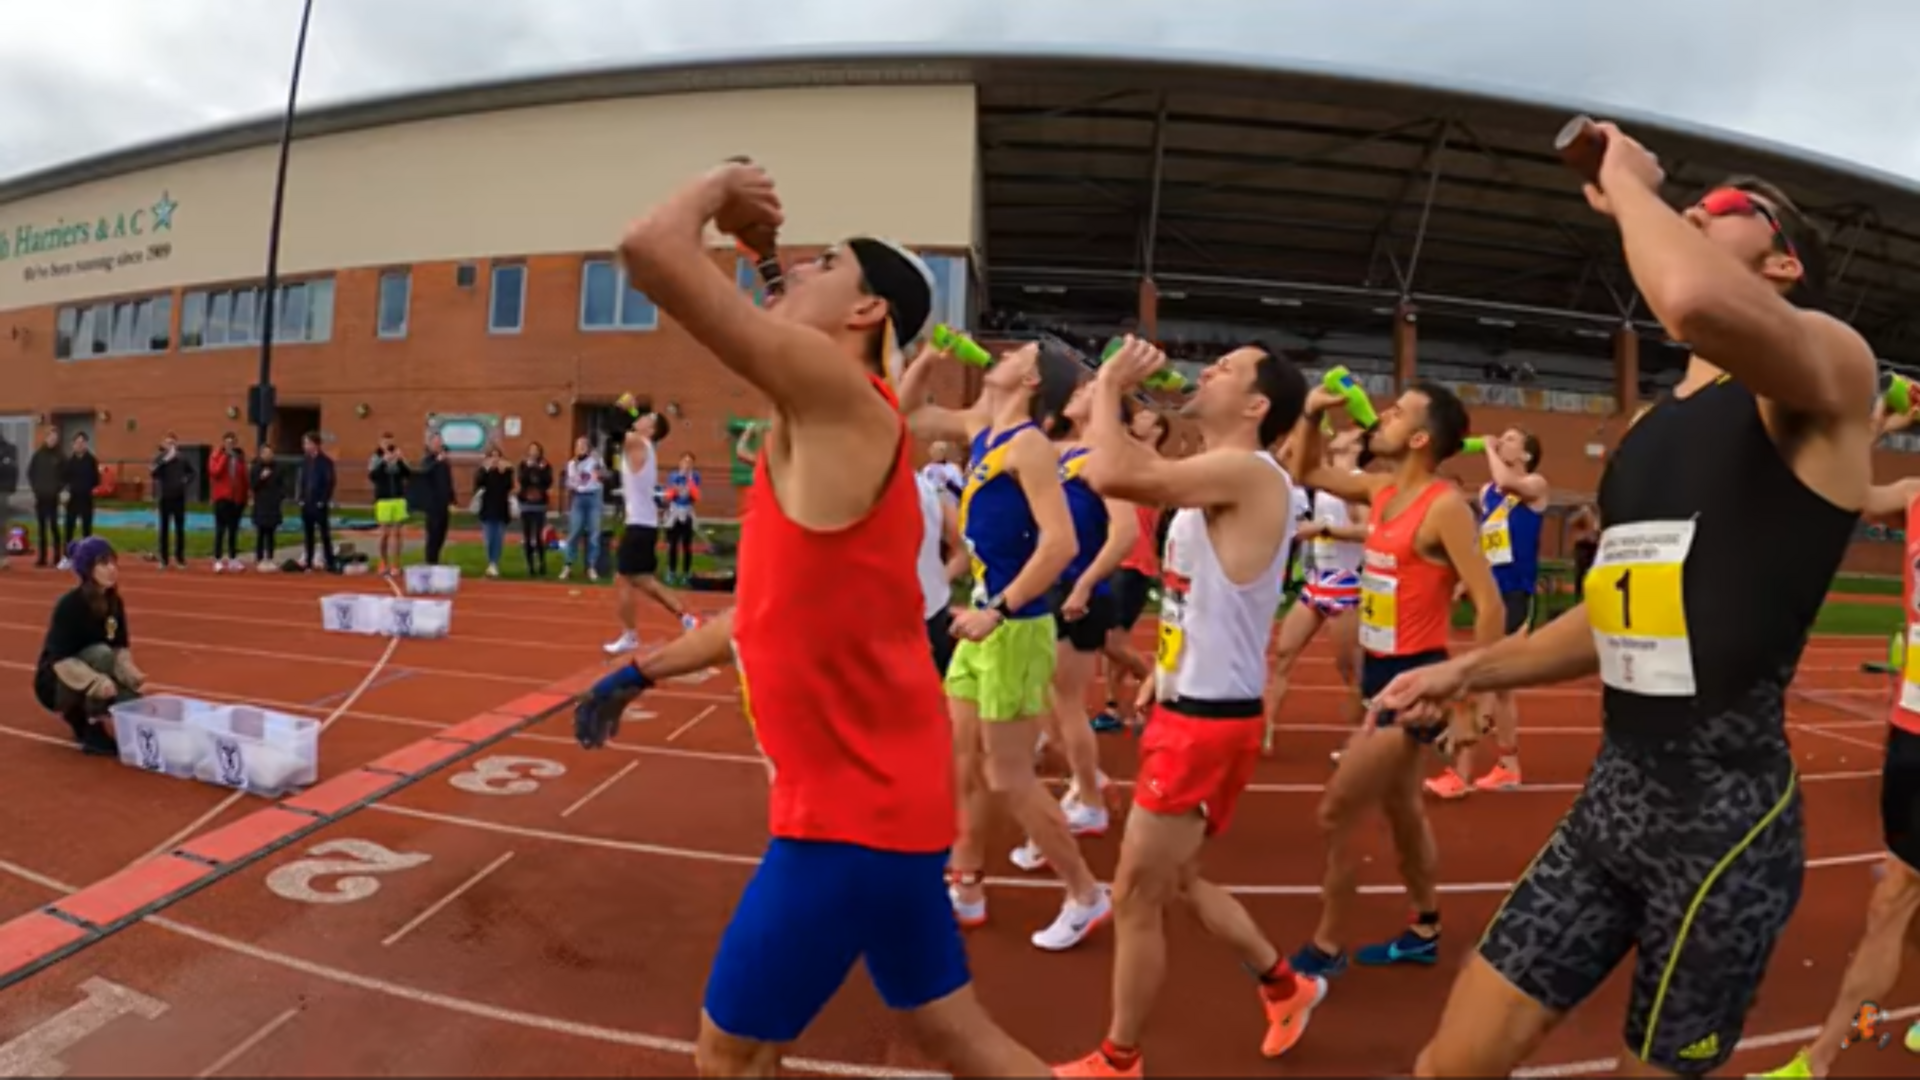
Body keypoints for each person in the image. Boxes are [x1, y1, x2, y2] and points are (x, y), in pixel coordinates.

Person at [1372, 133, 1868, 1078]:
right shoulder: (1649, 433)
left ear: (1784, 260)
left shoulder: (1830, 368)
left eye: (1721, 204)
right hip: (1613, 805)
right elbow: (1616, 615)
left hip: (1724, 830)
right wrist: (1469, 666)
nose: (1695, 209)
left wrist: (1637, 187)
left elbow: (1691, 300)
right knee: (1448, 1065)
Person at [576, 159, 1052, 1078]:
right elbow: (764, 618)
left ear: (867, 311)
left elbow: (647, 251)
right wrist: (640, 672)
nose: (796, 272)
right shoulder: (844, 417)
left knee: (731, 1059)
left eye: (823, 262)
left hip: (847, 823)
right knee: (955, 1035)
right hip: (890, 798)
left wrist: (720, 188)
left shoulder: (836, 400)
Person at [1053, 339, 1324, 1079]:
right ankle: (1285, 985)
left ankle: (1119, 1058)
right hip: (1194, 706)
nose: (1206, 372)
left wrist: (1108, 381)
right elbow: (1198, 593)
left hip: (1206, 724)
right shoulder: (1219, 476)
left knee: (1136, 894)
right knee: (1177, 880)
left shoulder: (1247, 470)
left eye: (1227, 369)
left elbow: (1111, 470)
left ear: (1258, 405)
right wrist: (1163, 668)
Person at [1281, 378, 1503, 983]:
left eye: (1398, 412)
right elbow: (1305, 471)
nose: (1383, 415)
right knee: (1403, 808)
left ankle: (1327, 946)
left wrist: (1469, 692)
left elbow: (1488, 604)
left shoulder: (1444, 507)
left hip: (1415, 681)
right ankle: (1425, 929)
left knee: (1338, 808)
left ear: (1421, 437)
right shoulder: (1380, 490)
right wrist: (1309, 412)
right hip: (1379, 671)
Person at [901, 338, 1112, 951]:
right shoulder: (981, 427)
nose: (1005, 351)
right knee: (961, 760)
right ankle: (965, 888)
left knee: (1008, 775)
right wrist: (926, 359)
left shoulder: (1030, 447)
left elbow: (1061, 545)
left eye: (1021, 351)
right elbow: (906, 416)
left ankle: (1085, 892)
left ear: (1029, 381)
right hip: (986, 626)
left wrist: (997, 609)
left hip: (1013, 629)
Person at [1760, 404, 1920, 1079]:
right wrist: (1874, 429)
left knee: (1900, 893)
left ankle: (1819, 1056)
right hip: (1914, 727)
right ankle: (1820, 1060)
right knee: (1895, 896)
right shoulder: (1915, 496)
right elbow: (1837, 493)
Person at [1023, 378, 1140, 855]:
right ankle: (1088, 779)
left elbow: (1125, 532)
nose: (1076, 390)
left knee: (1066, 701)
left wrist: (1086, 583)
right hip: (1047, 584)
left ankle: (1089, 797)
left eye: (1092, 387)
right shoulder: (1059, 452)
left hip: (1075, 588)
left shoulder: (1101, 459)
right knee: (1045, 695)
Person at [1425, 427, 1547, 798]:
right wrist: (1468, 580)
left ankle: (1460, 774)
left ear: (1525, 455)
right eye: (1502, 437)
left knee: (1480, 682)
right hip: (1490, 594)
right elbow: (1486, 542)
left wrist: (1489, 449)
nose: (1503, 441)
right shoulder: (1488, 493)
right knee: (1502, 689)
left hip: (1513, 597)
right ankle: (1508, 766)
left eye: (1511, 439)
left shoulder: (1534, 485)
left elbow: (1504, 478)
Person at [1265, 426, 1368, 754]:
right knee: (1283, 655)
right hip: (1316, 580)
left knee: (1349, 669)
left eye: (1348, 431)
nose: (1339, 432)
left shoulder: (1356, 481)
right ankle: (1264, 728)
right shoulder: (1326, 477)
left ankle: (1363, 738)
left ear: (1357, 445)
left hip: (1346, 583)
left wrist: (1324, 528)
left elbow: (1368, 530)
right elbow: (1291, 459)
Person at [1093, 409, 1170, 733]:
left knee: (1107, 640)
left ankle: (1153, 682)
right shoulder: (1135, 460)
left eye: (1144, 418)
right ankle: (1114, 706)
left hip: (1135, 563)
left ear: (1157, 429)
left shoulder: (1153, 466)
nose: (1136, 421)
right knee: (1115, 642)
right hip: (1119, 560)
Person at [34, 538, 145, 755]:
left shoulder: (114, 602)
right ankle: (88, 724)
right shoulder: (70, 606)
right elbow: (61, 661)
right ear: (88, 570)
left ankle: (94, 713)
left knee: (133, 702)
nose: (112, 569)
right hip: (56, 681)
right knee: (101, 654)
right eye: (103, 563)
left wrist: (131, 675)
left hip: (92, 668)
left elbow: (119, 648)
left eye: (113, 562)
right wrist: (96, 682)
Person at [604, 412, 697, 655]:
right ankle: (686, 617)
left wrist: (624, 407)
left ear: (652, 429)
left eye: (647, 417)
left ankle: (630, 635)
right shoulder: (641, 444)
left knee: (623, 578)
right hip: (644, 525)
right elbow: (611, 445)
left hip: (639, 526)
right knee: (645, 581)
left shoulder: (638, 442)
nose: (642, 417)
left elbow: (611, 427)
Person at [915, 466, 967, 678]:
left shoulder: (930, 489)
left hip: (924, 613)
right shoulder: (930, 488)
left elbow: (963, 552)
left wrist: (936, 581)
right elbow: (963, 554)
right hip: (929, 609)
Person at [558, 436, 605, 582]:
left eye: (584, 445)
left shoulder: (595, 461)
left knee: (594, 533)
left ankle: (591, 566)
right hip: (578, 498)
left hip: (593, 497)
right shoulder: (572, 464)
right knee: (574, 532)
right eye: (578, 445)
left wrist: (600, 466)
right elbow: (570, 482)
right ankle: (568, 565)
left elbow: (603, 475)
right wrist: (573, 484)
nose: (581, 447)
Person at [368, 433, 411, 576]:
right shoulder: (376, 457)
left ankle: (396, 564)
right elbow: (373, 476)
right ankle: (383, 562)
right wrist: (383, 462)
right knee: (384, 533)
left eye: (390, 442)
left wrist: (400, 460)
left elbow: (408, 473)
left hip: (398, 498)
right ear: (381, 443)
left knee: (398, 533)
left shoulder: (398, 456)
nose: (388, 445)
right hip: (383, 499)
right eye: (385, 442)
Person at [152, 433, 196, 571]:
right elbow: (153, 473)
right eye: (167, 443)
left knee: (179, 529)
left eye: (172, 443)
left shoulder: (182, 459)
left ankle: (180, 558)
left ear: (176, 445)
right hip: (165, 498)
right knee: (163, 529)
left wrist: (186, 480)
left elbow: (192, 473)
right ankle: (164, 559)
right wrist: (164, 461)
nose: (170, 445)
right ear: (164, 445)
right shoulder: (160, 458)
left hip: (179, 498)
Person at [473, 443, 516, 578]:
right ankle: (490, 562)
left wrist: (504, 473)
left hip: (501, 508)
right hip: (487, 508)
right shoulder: (484, 471)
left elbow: (509, 486)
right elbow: (478, 484)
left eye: (497, 456)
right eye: (492, 456)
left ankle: (494, 562)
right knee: (489, 537)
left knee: (498, 537)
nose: (495, 459)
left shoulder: (506, 471)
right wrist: (485, 471)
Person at [209, 432, 249, 572]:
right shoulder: (217, 456)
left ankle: (233, 558)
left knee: (233, 530)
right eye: (227, 442)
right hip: (222, 498)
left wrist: (244, 498)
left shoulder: (238, 459)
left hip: (236, 499)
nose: (230, 445)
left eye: (232, 442)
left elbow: (244, 479)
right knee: (220, 530)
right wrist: (225, 456)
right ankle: (217, 559)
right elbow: (215, 472)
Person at [298, 432, 336, 573]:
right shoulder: (305, 461)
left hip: (319, 503)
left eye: (307, 443)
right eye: (304, 443)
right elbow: (302, 481)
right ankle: (308, 561)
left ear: (315, 444)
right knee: (308, 534)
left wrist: (323, 500)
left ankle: (329, 561)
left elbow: (329, 482)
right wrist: (301, 498)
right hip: (307, 503)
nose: (305, 446)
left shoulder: (326, 462)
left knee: (324, 533)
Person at [662, 451, 702, 586]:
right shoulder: (673, 476)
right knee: (673, 544)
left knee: (687, 545)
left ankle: (686, 572)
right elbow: (668, 495)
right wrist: (676, 485)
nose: (687, 465)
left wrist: (689, 481)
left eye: (690, 462)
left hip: (687, 512)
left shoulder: (695, 477)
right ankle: (671, 571)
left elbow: (696, 496)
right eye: (684, 461)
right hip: (674, 512)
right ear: (680, 463)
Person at [60, 432, 99, 566]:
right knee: (69, 528)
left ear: (86, 444)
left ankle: (87, 558)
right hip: (72, 499)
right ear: (73, 444)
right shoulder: (69, 461)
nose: (79, 445)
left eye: (82, 442)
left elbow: (96, 479)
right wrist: (66, 492)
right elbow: (64, 479)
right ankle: (67, 556)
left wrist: (86, 487)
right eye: (77, 442)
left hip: (86, 498)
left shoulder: (91, 460)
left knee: (86, 529)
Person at [416, 434, 455, 566]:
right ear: (430, 444)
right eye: (436, 442)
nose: (438, 444)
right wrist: (437, 461)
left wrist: (452, 500)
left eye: (440, 442)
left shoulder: (445, 462)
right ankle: (430, 561)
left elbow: (448, 482)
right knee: (432, 534)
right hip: (432, 504)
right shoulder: (427, 460)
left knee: (441, 534)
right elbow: (424, 472)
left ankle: (436, 559)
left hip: (444, 504)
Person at [516, 441, 554, 578]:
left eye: (536, 450)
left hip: (540, 504)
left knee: (538, 536)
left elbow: (547, 481)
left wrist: (538, 469)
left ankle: (542, 563)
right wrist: (529, 468)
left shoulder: (545, 465)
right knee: (527, 536)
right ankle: (530, 565)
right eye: (531, 449)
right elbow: (522, 480)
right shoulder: (523, 464)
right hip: (526, 504)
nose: (533, 452)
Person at [28, 429, 63, 570]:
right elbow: (30, 472)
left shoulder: (61, 456)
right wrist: (36, 488)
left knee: (54, 527)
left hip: (53, 497)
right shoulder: (38, 455)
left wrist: (58, 489)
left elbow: (65, 476)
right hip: (40, 496)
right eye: (51, 438)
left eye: (55, 438)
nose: (52, 440)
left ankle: (57, 558)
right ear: (46, 438)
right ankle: (41, 558)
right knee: (41, 528)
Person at [250, 445, 287, 571]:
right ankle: (259, 558)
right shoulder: (256, 468)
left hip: (273, 505)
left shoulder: (278, 468)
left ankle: (270, 557)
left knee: (271, 533)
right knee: (260, 533)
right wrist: (261, 478)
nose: (268, 455)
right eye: (265, 453)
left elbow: (283, 485)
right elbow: (253, 485)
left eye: (270, 453)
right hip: (261, 504)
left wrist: (279, 497)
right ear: (261, 455)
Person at [1567, 502, 1600, 600]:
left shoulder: (1597, 517)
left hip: (1594, 546)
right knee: (1580, 574)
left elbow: (1597, 529)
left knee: (1593, 573)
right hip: (1583, 546)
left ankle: (1590, 596)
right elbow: (1571, 522)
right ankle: (1578, 597)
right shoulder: (1581, 516)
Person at [921, 440, 966, 506]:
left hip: (952, 507)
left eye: (940, 450)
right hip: (934, 506)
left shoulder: (953, 468)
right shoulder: (927, 469)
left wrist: (948, 482)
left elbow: (961, 493)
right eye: (934, 450)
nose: (936, 453)